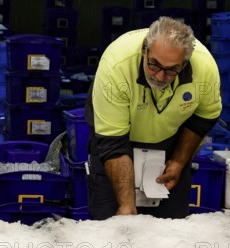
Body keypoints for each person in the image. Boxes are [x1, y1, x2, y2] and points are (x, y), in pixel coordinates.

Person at [85, 16, 222, 220]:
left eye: (170, 69)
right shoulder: (116, 65)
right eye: (154, 64)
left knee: (170, 231)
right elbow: (112, 142)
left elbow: (204, 118)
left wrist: (177, 162)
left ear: (184, 64)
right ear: (144, 51)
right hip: (117, 142)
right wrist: (126, 205)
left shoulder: (205, 68)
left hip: (170, 141)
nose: (159, 76)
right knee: (115, 225)